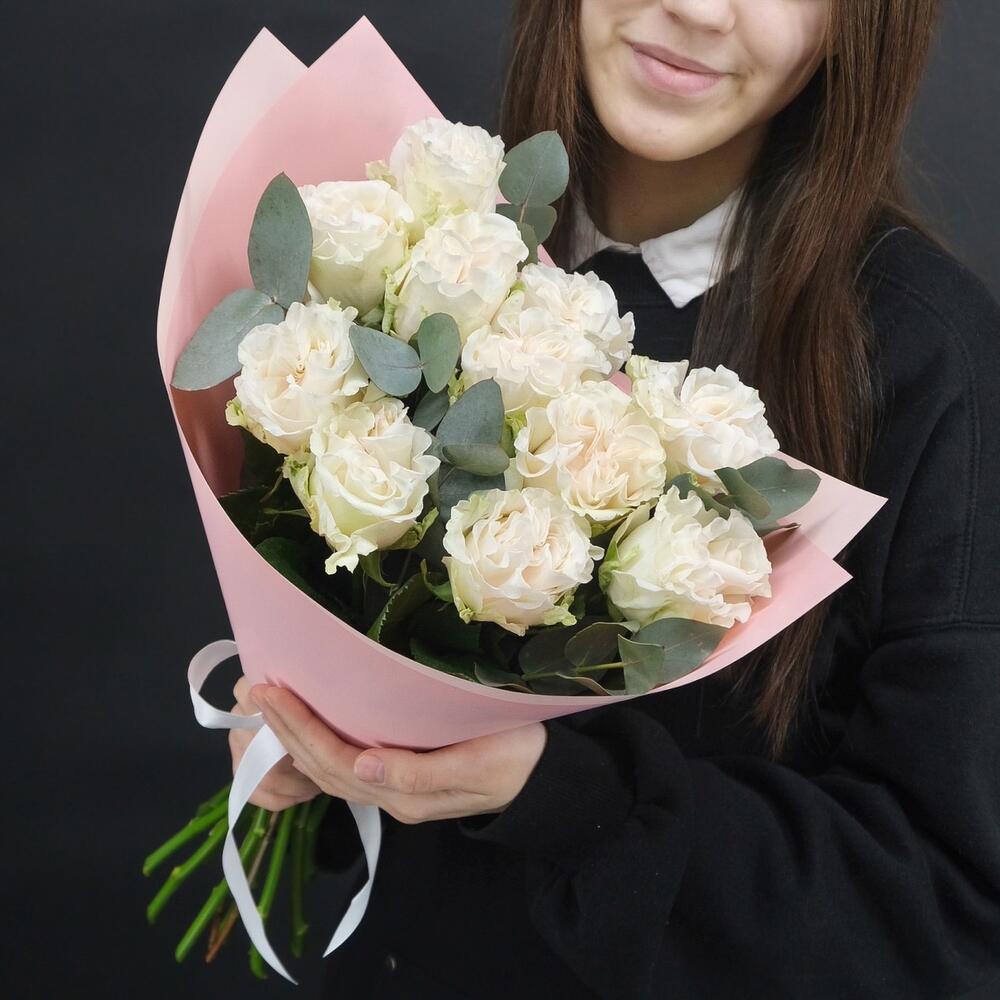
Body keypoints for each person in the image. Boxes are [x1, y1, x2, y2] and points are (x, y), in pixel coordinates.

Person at [229, 1, 1000, 996]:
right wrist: (309, 742)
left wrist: (574, 800)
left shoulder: (929, 363)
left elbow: (949, 919)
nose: (697, 10)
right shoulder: (433, 243)